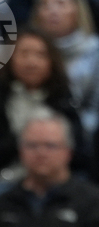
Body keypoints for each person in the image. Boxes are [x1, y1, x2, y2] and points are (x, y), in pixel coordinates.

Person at [0, 27, 88, 186]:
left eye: (40, 55)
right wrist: (24, 139)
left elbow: (81, 154)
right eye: (24, 54)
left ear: (52, 61)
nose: (32, 63)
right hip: (4, 181)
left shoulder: (64, 100)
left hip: (59, 181)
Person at [33, 0, 99, 134]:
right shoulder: (27, 50)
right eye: (45, 5)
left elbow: (95, 109)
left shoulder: (95, 51)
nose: (52, 11)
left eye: (61, 3)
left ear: (78, 11)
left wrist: (71, 132)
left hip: (82, 132)